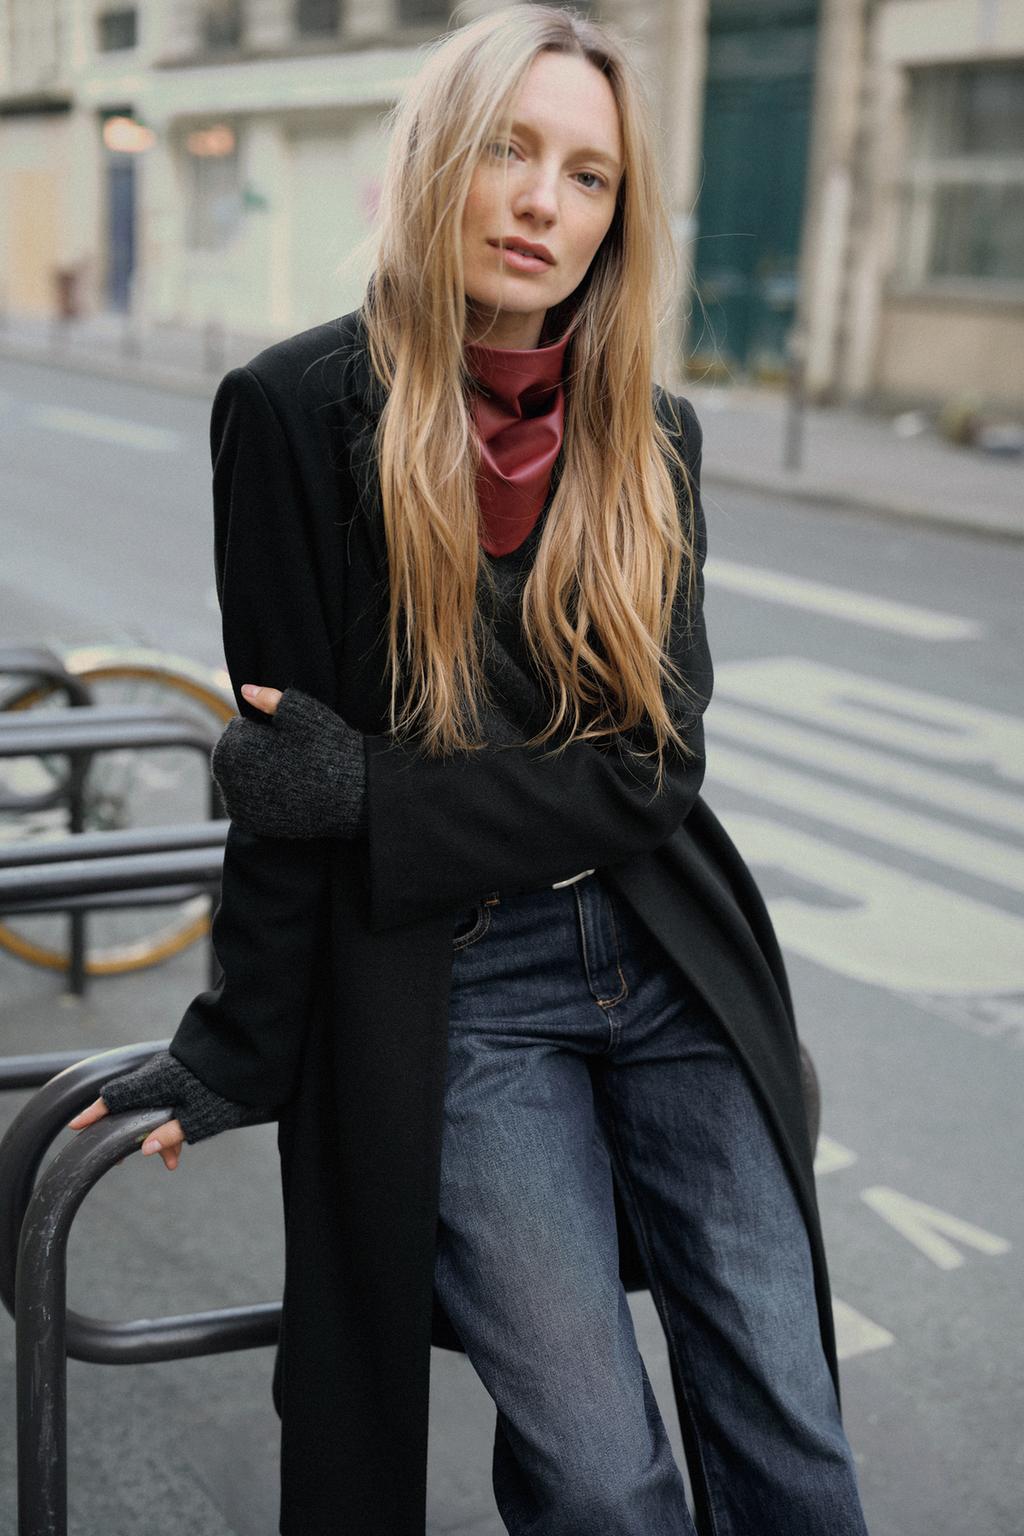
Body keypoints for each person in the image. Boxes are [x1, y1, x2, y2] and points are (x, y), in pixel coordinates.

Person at [68, 7, 872, 1534]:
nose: (541, 202)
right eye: (511, 149)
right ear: (440, 157)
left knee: (792, 1438)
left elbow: (649, 772)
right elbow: (285, 777)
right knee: (601, 1475)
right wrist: (239, 1044)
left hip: (671, 961)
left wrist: (376, 794)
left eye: (588, 175)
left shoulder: (654, 435)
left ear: (617, 216)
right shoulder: (297, 412)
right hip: (462, 988)